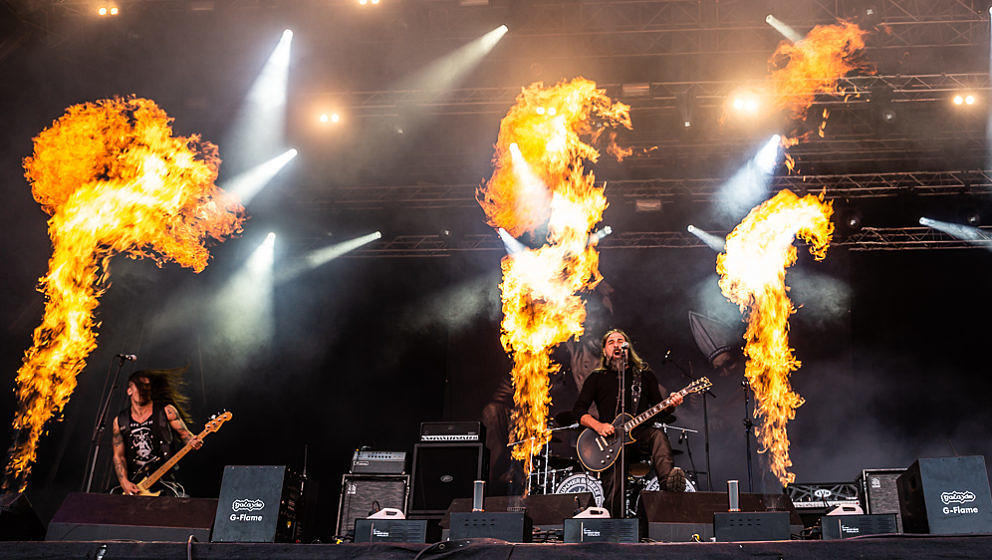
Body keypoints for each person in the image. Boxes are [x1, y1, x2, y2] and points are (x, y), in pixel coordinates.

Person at [572, 329, 686, 516]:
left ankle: (669, 483)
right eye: (611, 342)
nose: (616, 344)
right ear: (604, 351)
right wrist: (599, 426)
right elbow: (579, 411)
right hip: (610, 442)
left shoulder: (644, 376)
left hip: (639, 437)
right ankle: (614, 523)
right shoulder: (596, 377)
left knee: (657, 435)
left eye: (620, 341)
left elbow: (659, 412)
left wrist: (671, 405)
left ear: (628, 348)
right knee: (615, 480)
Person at [112, 367, 201, 496]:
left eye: (146, 386)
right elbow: (119, 456)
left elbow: (186, 435)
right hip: (137, 485)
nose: (143, 389)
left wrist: (193, 441)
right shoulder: (120, 421)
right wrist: (124, 482)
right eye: (139, 385)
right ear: (129, 390)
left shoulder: (166, 411)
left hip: (164, 480)